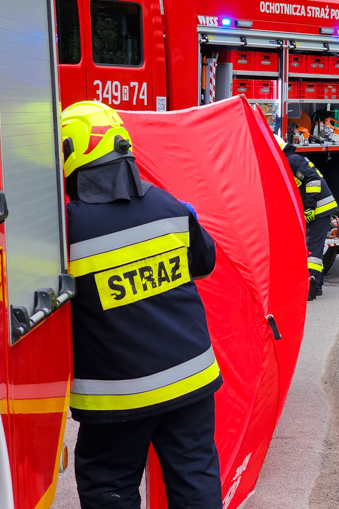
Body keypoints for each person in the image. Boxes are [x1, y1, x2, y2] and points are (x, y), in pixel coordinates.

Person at [61, 101, 223, 509]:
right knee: (196, 482)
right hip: (193, 381)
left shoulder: (66, 231)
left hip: (120, 396)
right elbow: (205, 261)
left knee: (109, 486)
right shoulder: (169, 207)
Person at [275, 134, 338, 299]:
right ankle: (315, 286)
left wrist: (310, 207)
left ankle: (312, 288)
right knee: (311, 248)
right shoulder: (288, 161)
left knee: (312, 250)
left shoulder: (293, 160)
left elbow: (313, 180)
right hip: (317, 209)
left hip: (319, 209)